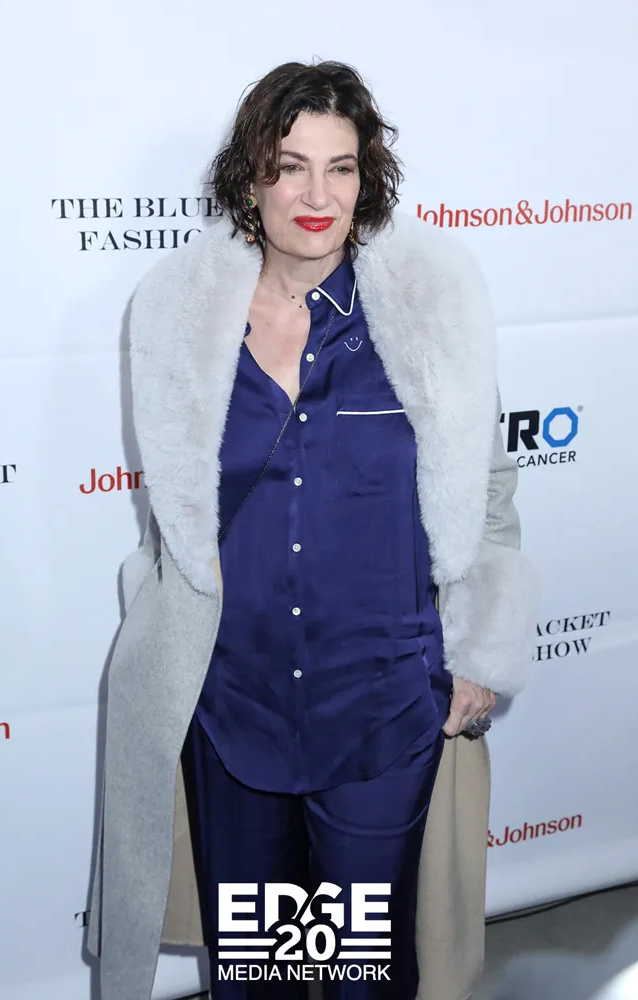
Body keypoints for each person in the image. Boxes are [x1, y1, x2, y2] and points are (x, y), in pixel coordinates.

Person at [87, 60, 538, 1000]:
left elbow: (487, 489)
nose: (317, 195)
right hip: (233, 703)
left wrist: (478, 652)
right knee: (257, 972)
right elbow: (174, 518)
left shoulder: (426, 310)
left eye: (341, 167)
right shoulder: (180, 316)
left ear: (367, 178)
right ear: (249, 178)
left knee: (365, 972)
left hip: (382, 702)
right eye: (289, 166)